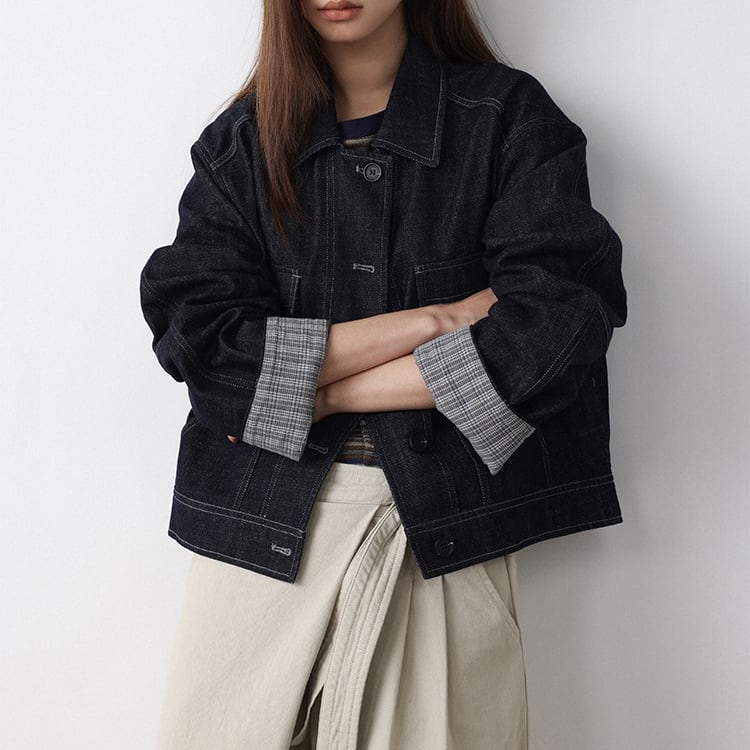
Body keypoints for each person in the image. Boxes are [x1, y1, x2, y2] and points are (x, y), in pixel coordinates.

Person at [139, 1, 627, 748]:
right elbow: (206, 347)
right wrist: (433, 321)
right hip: (260, 526)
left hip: (442, 524)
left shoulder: (506, 118)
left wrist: (320, 391)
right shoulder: (240, 143)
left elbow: (554, 333)